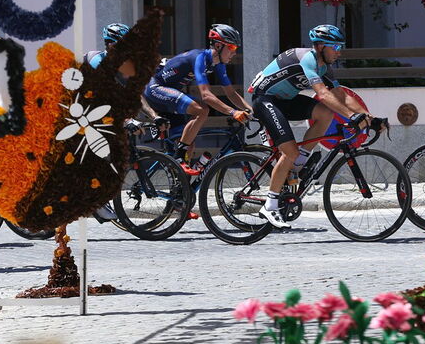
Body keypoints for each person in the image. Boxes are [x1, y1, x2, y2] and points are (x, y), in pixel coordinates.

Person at [249, 24, 369, 228]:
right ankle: (269, 206)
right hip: (265, 100)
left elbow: (341, 95)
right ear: (321, 46)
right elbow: (322, 94)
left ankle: (298, 163)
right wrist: (351, 117)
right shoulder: (308, 59)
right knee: (289, 151)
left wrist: (368, 117)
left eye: (341, 47)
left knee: (325, 113)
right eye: (335, 47)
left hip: (285, 101)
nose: (339, 52)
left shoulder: (324, 68)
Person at [143, 24, 251, 173]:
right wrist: (233, 112)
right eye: (232, 48)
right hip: (156, 89)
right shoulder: (199, 57)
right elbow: (206, 95)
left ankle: (181, 189)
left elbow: (231, 93)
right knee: (201, 110)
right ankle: (180, 155)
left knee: (189, 142)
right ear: (219, 46)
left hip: (170, 94)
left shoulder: (218, 64)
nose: (234, 52)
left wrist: (250, 110)